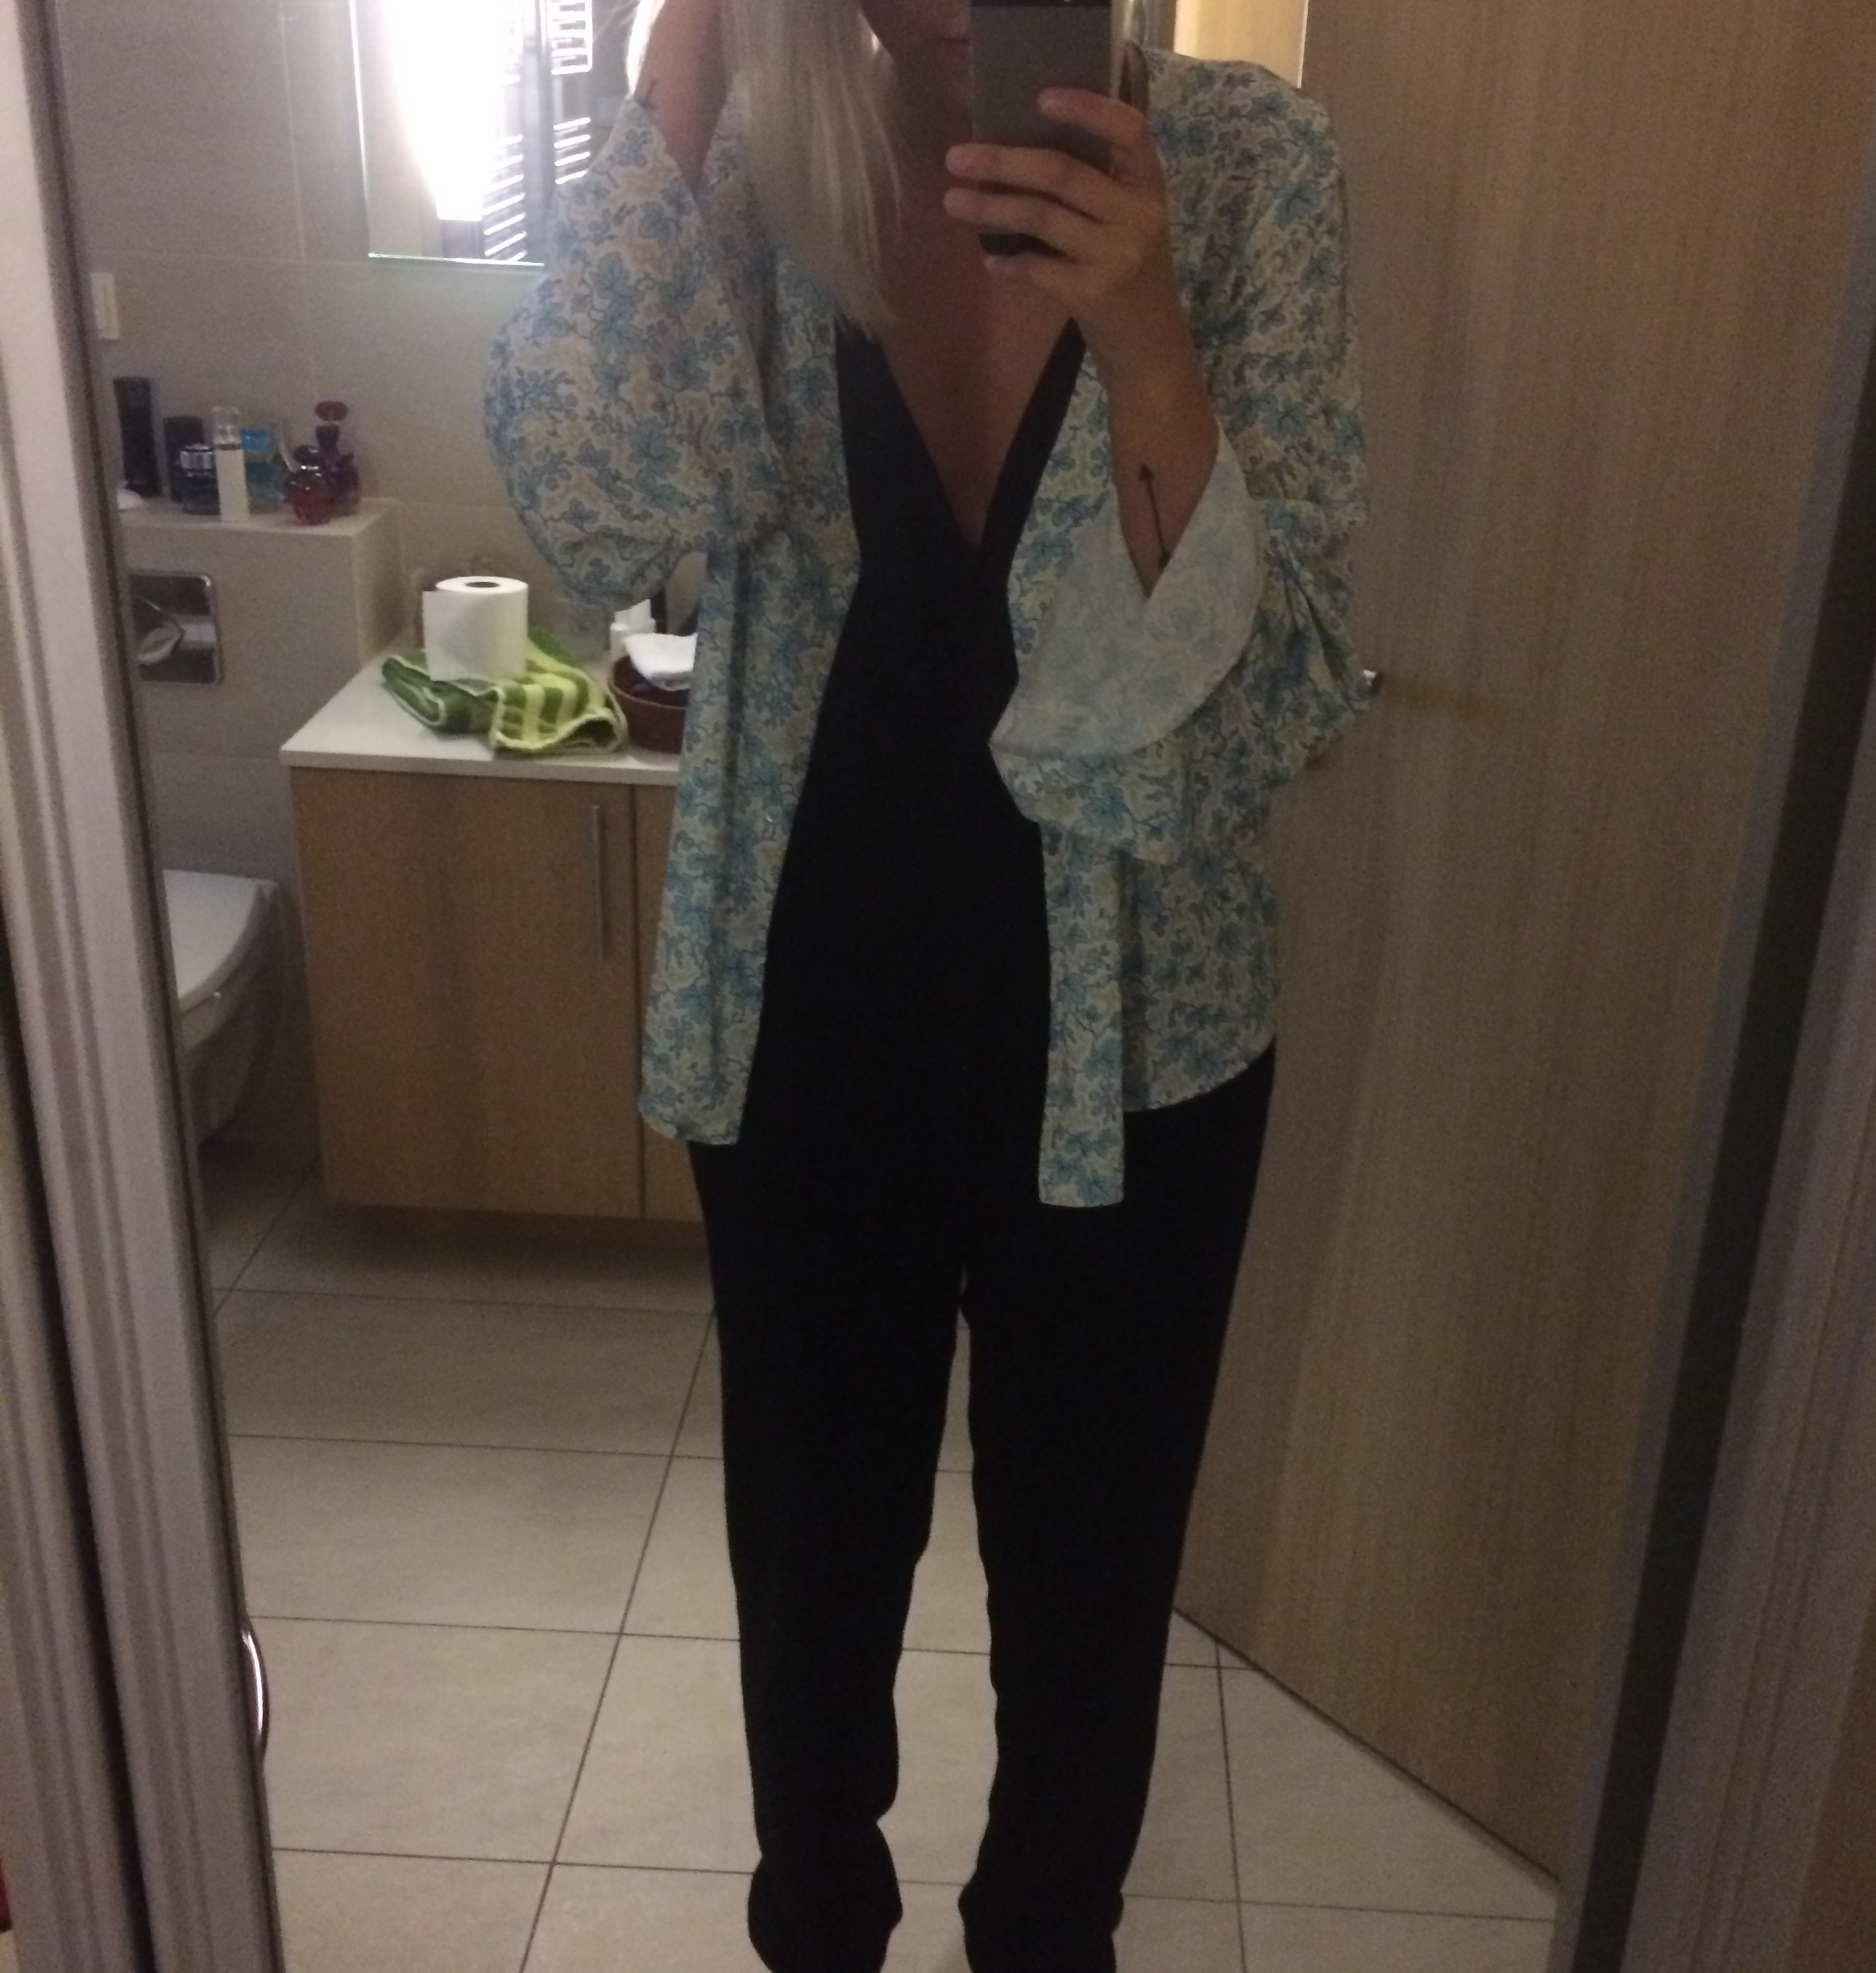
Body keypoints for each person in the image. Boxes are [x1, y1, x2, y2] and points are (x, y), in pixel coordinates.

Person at [485, 1, 1369, 1965]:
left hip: (1139, 1039)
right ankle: (820, 1928)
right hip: (804, 1013)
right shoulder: (749, 171)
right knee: (810, 1580)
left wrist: (1146, 336)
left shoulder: (1250, 169)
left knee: (1090, 1593)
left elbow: (1280, 697)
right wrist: (686, 62)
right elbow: (594, 499)